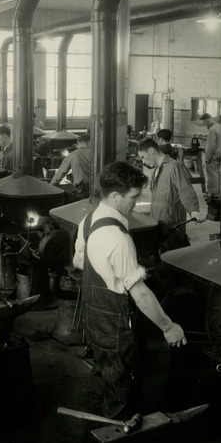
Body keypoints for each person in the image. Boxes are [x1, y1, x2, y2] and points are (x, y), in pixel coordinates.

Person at [72, 161, 187, 420]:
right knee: (120, 386)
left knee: (102, 372)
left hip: (93, 317)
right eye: (133, 197)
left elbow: (79, 261)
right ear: (115, 196)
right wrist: (168, 327)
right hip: (115, 323)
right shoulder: (118, 237)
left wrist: (111, 270)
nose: (136, 202)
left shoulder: (88, 219)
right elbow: (141, 294)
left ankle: (94, 430)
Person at [138, 138, 205, 251]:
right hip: (159, 224)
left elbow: (185, 190)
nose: (143, 162)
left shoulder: (174, 166)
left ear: (151, 150)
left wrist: (193, 210)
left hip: (173, 227)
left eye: (143, 157)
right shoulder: (156, 170)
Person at [199, 113, 221, 199]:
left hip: (213, 155)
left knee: (212, 175)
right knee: (216, 174)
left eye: (204, 122)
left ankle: (213, 194)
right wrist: (206, 137)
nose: (204, 124)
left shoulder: (212, 129)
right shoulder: (218, 126)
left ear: (207, 120)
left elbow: (211, 146)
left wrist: (207, 158)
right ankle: (216, 193)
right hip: (219, 154)